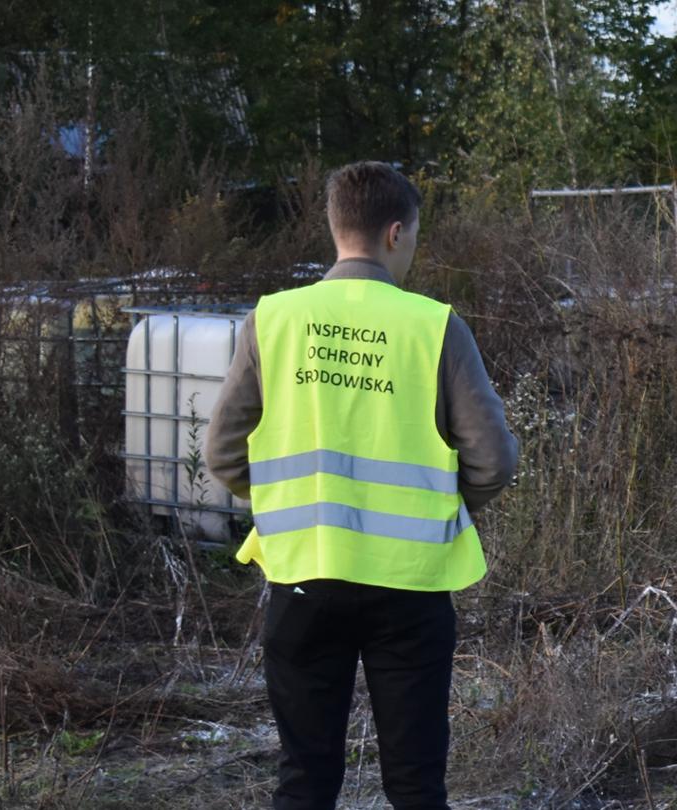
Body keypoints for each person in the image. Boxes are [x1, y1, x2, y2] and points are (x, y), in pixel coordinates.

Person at [205, 161, 519, 810]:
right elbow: (493, 460)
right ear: (396, 234)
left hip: (303, 578)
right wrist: (441, 511)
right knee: (414, 784)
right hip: (410, 586)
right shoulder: (434, 327)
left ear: (335, 227)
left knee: (305, 780)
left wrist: (284, 509)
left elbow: (223, 453)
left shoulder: (275, 320)